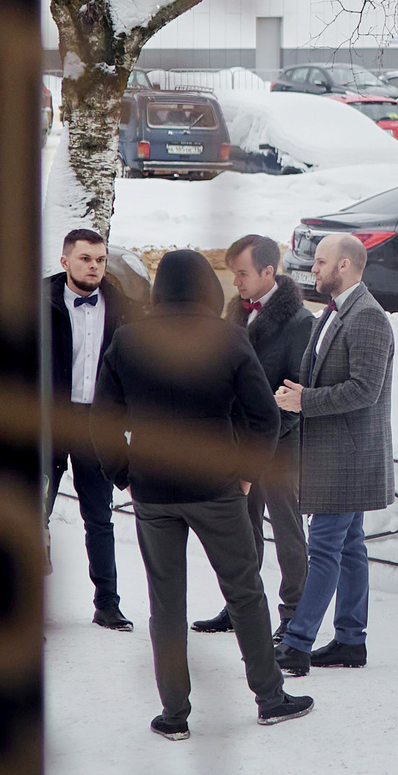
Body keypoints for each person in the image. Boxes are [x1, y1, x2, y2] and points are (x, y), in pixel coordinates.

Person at [93, 248, 313, 738]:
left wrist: (122, 472)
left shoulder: (129, 339)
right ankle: (270, 697)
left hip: (153, 490)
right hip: (216, 487)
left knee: (165, 605)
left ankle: (174, 715)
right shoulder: (229, 337)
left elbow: (103, 418)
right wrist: (247, 472)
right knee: (245, 593)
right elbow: (266, 416)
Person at [273, 232, 393, 676]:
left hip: (349, 455)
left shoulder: (368, 318)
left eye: (321, 261)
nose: (313, 268)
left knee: (324, 548)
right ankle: (349, 640)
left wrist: (306, 401)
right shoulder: (331, 313)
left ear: (344, 266)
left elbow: (366, 390)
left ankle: (298, 644)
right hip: (333, 451)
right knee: (350, 546)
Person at [193, 234, 313, 636]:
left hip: (280, 445)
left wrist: (271, 437)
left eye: (242, 274)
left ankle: (293, 615)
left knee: (287, 531)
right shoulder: (236, 312)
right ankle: (240, 606)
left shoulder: (299, 322)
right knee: (242, 532)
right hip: (238, 444)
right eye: (233, 274)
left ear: (268, 271)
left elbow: (296, 392)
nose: (236, 283)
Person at [46, 227, 138, 631]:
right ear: (65, 261)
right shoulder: (37, 302)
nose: (94, 267)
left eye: (100, 260)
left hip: (97, 425)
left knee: (99, 517)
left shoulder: (122, 308)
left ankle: (108, 603)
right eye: (85, 259)